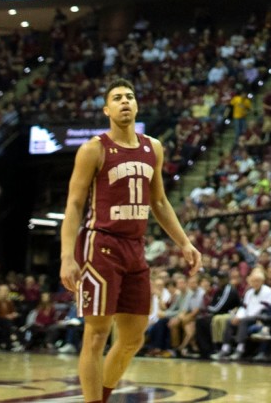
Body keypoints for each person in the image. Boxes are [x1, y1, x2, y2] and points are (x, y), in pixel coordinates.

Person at [59, 78, 201, 403]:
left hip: (135, 250)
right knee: (96, 335)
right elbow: (74, 205)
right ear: (107, 109)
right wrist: (68, 256)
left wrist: (185, 243)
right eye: (117, 98)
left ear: (137, 106)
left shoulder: (154, 147)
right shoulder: (93, 149)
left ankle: (103, 396)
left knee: (133, 338)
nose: (125, 101)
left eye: (130, 96)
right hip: (101, 246)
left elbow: (161, 203)